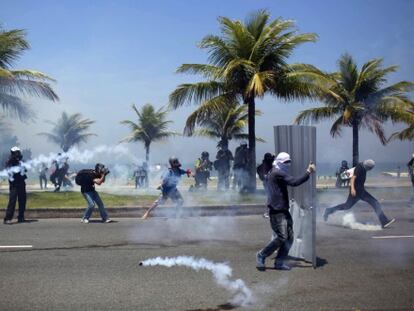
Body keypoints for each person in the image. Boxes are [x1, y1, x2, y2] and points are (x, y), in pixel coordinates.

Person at [256, 152, 315, 271]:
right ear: (279, 162)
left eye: (289, 162)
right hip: (277, 211)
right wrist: (308, 172)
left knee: (289, 238)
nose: (288, 165)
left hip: (282, 210)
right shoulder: (277, 173)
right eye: (285, 162)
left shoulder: (273, 172)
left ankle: (279, 262)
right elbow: (294, 182)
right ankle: (261, 255)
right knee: (283, 237)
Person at [323, 159, 395, 228]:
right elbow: (353, 178)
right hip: (358, 191)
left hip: (360, 190)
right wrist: (353, 189)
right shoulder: (359, 168)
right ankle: (384, 221)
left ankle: (328, 211)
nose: (370, 170)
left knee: (347, 206)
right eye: (370, 168)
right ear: (368, 167)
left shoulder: (362, 166)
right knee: (375, 203)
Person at [3, 147, 27, 224]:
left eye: (18, 152)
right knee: (12, 201)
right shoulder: (9, 161)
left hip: (21, 182)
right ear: (12, 153)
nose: (17, 154)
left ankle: (21, 216)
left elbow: (25, 169)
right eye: (16, 152)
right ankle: (7, 218)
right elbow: (8, 170)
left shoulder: (21, 161)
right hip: (14, 184)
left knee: (22, 200)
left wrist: (22, 166)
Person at [257, 153, 275, 218]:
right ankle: (267, 212)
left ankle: (268, 212)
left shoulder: (265, 163)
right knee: (269, 197)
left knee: (269, 197)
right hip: (268, 182)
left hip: (266, 182)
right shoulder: (267, 164)